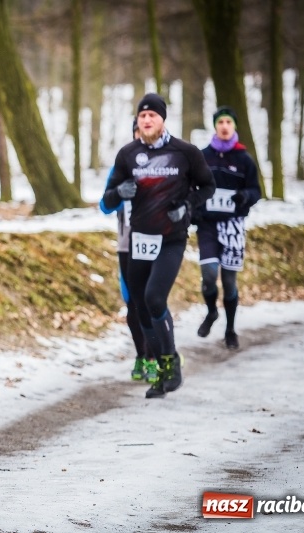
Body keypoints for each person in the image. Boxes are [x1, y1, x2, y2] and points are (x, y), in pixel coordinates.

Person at [102, 93, 215, 399]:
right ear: (137, 122)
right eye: (142, 115)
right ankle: (161, 370)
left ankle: (172, 363)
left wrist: (188, 207)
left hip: (171, 239)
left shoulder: (185, 152)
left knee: (154, 298)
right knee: (139, 307)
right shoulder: (128, 154)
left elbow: (208, 186)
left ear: (163, 119)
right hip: (140, 240)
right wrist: (119, 192)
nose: (147, 119)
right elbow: (108, 198)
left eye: (153, 115)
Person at [194, 106, 261, 349]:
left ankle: (230, 329)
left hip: (232, 225)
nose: (224, 126)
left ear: (234, 126)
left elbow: (256, 191)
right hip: (208, 225)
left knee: (230, 282)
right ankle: (212, 311)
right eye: (220, 122)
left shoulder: (244, 158)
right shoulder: (203, 156)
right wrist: (196, 208)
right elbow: (193, 186)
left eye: (228, 122)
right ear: (215, 126)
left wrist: (244, 196)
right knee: (209, 275)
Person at [100, 119, 151, 381]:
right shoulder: (122, 164)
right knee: (133, 303)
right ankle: (142, 355)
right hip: (127, 243)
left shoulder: (167, 165)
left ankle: (158, 355)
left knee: (152, 300)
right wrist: (119, 192)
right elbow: (104, 205)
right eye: (137, 131)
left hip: (156, 241)